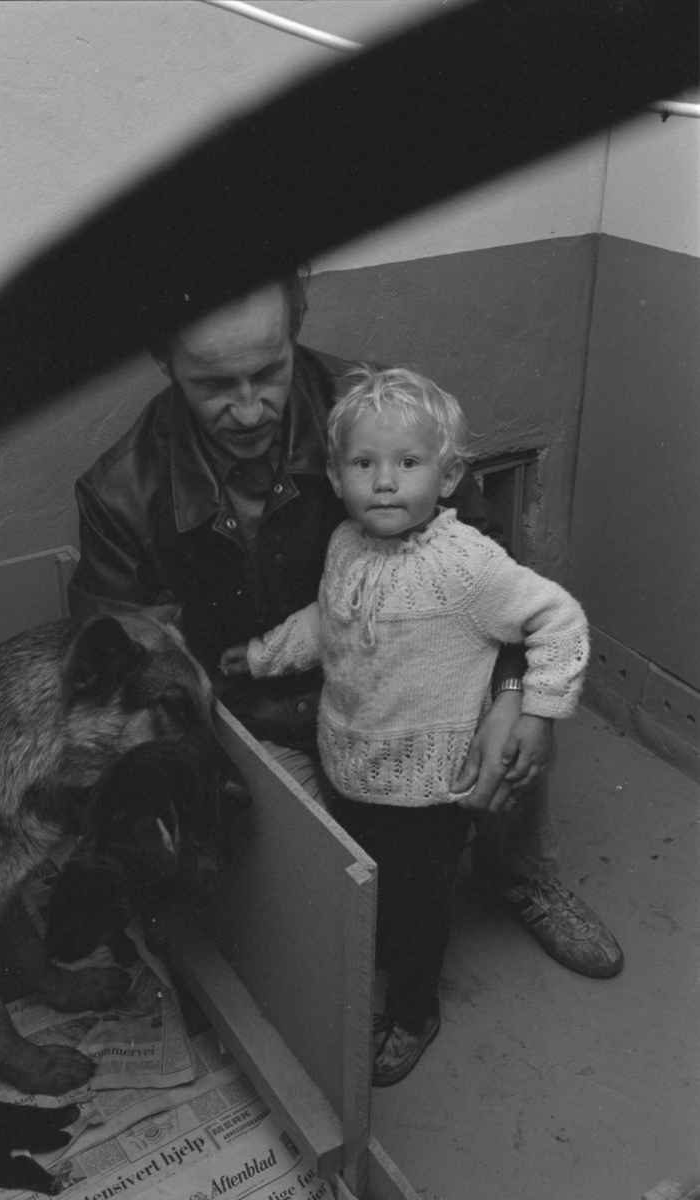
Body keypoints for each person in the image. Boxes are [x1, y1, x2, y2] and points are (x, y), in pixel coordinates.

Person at [68, 267, 623, 982]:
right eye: (212, 385)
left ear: (296, 328)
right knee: (322, 907)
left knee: (509, 730)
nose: (247, 410)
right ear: (163, 362)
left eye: (268, 372)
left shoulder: (374, 416)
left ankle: (514, 873)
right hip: (256, 720)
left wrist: (515, 698)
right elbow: (127, 688)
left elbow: (496, 572)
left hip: (415, 679)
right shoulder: (119, 495)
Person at [218, 365, 590, 1085]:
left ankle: (415, 1012)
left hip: (430, 792)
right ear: (335, 475)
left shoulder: (466, 566)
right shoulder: (345, 545)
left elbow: (558, 621)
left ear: (448, 477)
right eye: (364, 464)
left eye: (408, 463)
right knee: (374, 886)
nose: (384, 482)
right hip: (349, 768)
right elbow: (330, 617)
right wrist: (265, 655)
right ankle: (384, 944)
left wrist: (538, 708)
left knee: (419, 913)